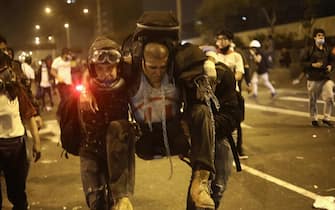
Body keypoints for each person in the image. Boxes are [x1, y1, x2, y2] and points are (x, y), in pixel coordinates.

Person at [78, 36, 135, 210]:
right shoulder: (83, 94)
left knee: (120, 202)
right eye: (100, 69)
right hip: (90, 150)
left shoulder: (129, 85)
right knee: (96, 202)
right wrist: (85, 89)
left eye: (110, 67)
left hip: (118, 152)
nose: (106, 73)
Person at [0, 50, 41, 210]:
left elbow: (29, 116)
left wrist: (37, 143)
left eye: (5, 68)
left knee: (16, 192)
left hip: (15, 146)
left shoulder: (17, 92)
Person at [215, 29, 248, 159]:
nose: (221, 42)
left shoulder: (236, 56)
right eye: (219, 39)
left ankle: (238, 149)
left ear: (230, 41)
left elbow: (239, 74)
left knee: (236, 122)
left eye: (224, 39)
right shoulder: (215, 56)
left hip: (233, 93)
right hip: (217, 95)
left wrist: (226, 79)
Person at [300, 28, 334, 127]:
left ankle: (326, 118)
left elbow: (332, 60)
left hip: (325, 77)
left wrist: (330, 66)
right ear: (315, 37)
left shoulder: (327, 49)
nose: (321, 37)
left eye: (323, 35)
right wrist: (312, 65)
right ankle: (314, 118)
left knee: (330, 97)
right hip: (313, 78)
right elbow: (302, 63)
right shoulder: (309, 50)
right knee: (313, 100)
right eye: (319, 35)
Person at [50, 47, 72, 115]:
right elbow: (52, 71)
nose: (67, 56)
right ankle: (59, 113)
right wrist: (58, 77)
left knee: (69, 99)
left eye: (68, 54)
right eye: (66, 54)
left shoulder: (70, 60)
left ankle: (65, 112)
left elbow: (75, 67)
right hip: (61, 83)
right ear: (63, 54)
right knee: (65, 99)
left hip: (69, 83)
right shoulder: (57, 61)